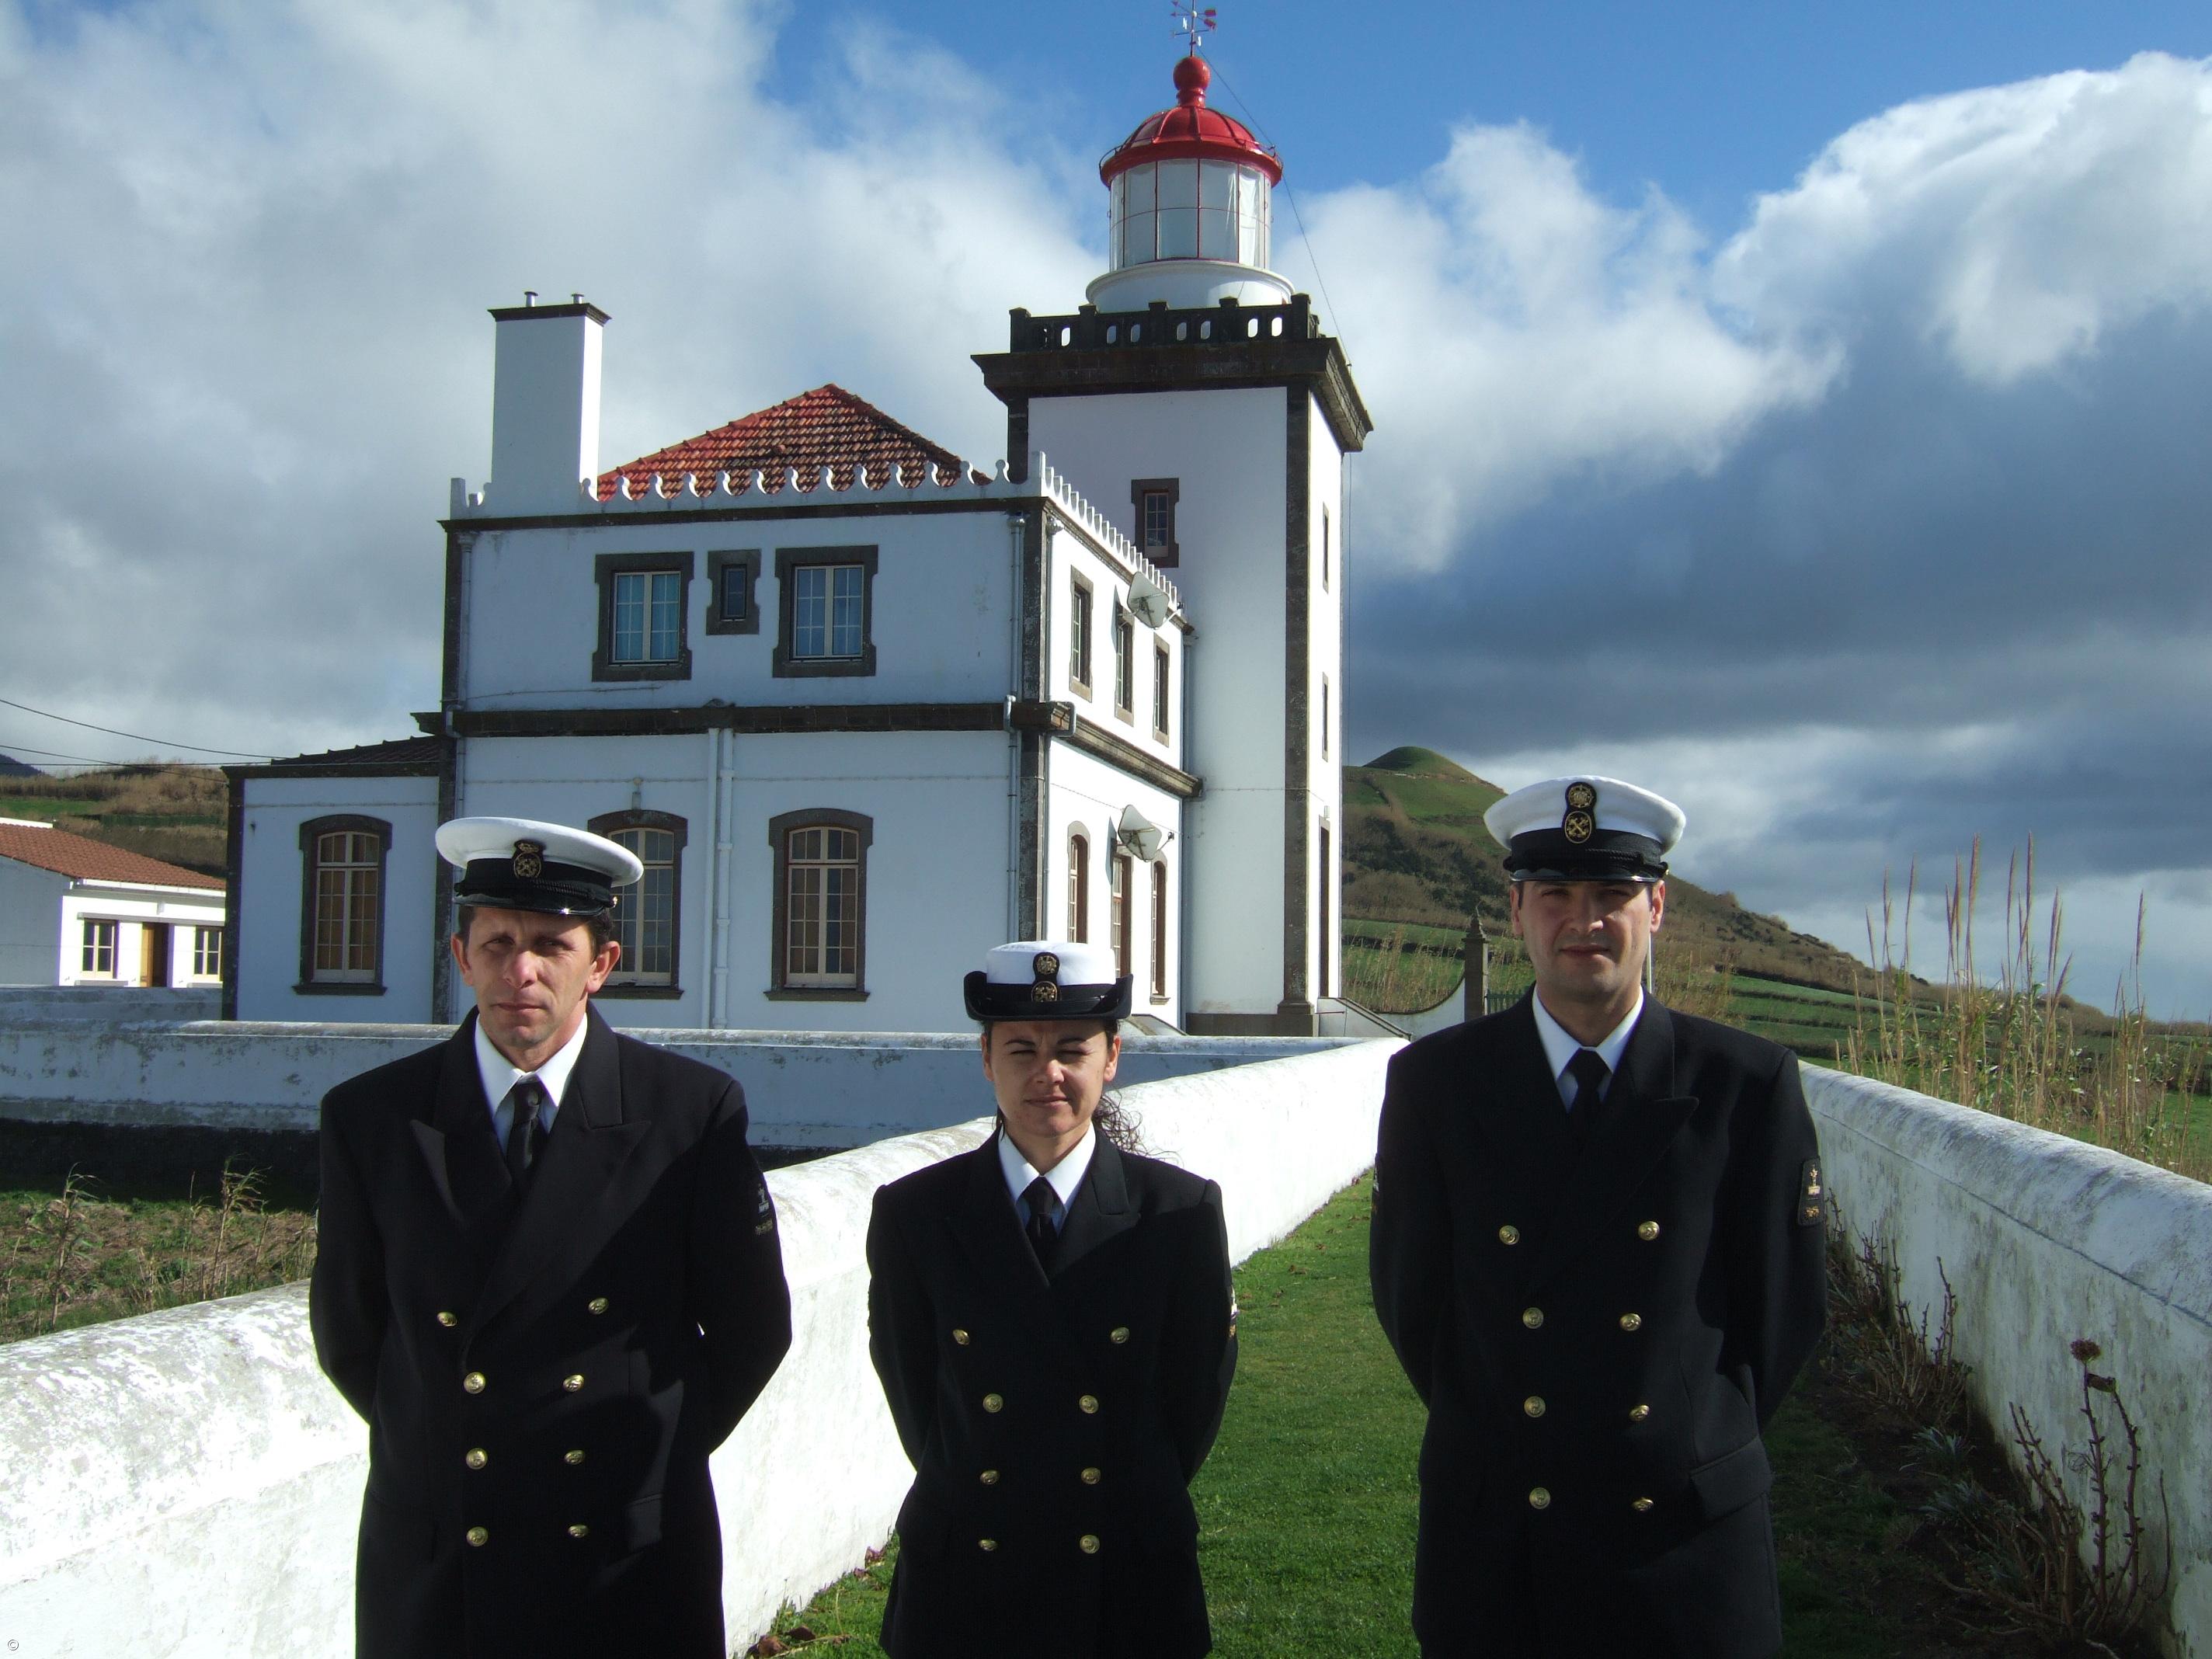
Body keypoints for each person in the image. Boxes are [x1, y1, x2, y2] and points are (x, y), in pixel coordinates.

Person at [309, 816, 792, 1659]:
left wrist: (640, 1459)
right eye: (494, 942)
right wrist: (454, 1445)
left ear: (600, 965)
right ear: (460, 957)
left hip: (622, 1548)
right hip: (445, 1548)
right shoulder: (372, 1119)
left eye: (549, 945)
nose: (519, 971)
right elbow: (351, 1336)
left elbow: (753, 1329)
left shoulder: (689, 1114)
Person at [1369, 777, 1828, 1657]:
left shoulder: (1744, 1085)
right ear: (1515, 910)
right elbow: (1413, 1303)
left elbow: (1783, 1316)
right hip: (1502, 1534)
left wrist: (1683, 1441)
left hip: (1682, 1540)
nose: (1584, 920)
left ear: (1655, 907)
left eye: (1612, 895)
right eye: (1556, 896)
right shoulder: (1437, 1085)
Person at [865, 940, 1237, 1659]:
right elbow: (919, 1406)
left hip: (1124, 1582)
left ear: (1113, 1057)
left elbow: (1191, 1407)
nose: (1049, 1075)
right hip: (967, 1584)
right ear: (984, 1059)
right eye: (1021, 1051)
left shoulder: (1177, 1215)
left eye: (1072, 1048)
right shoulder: (916, 1215)